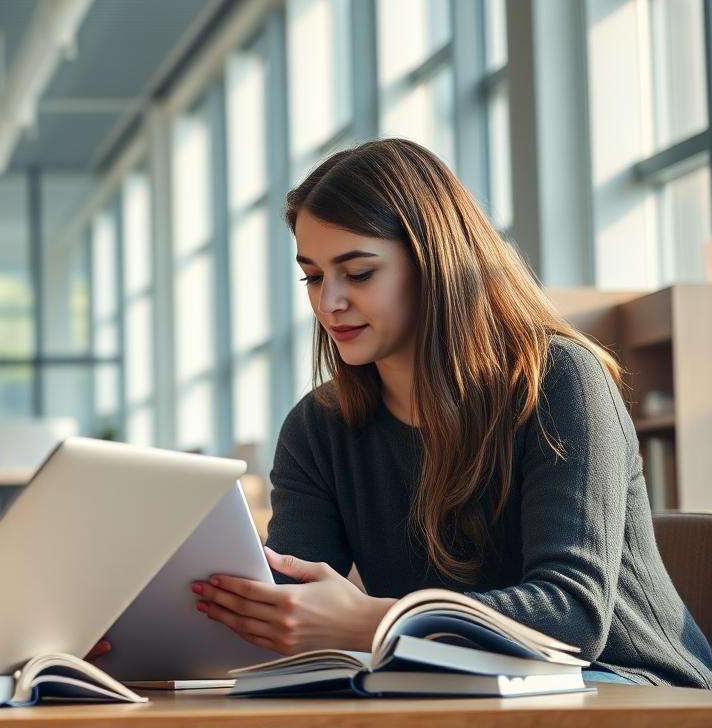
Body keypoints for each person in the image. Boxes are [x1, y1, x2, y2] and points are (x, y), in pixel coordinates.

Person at [192, 138, 712, 688]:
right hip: (445, 684)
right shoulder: (317, 428)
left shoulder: (559, 380)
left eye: (359, 273)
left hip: (622, 684)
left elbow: (573, 617)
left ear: (434, 265)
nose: (329, 302)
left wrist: (378, 620)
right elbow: (294, 605)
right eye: (313, 276)